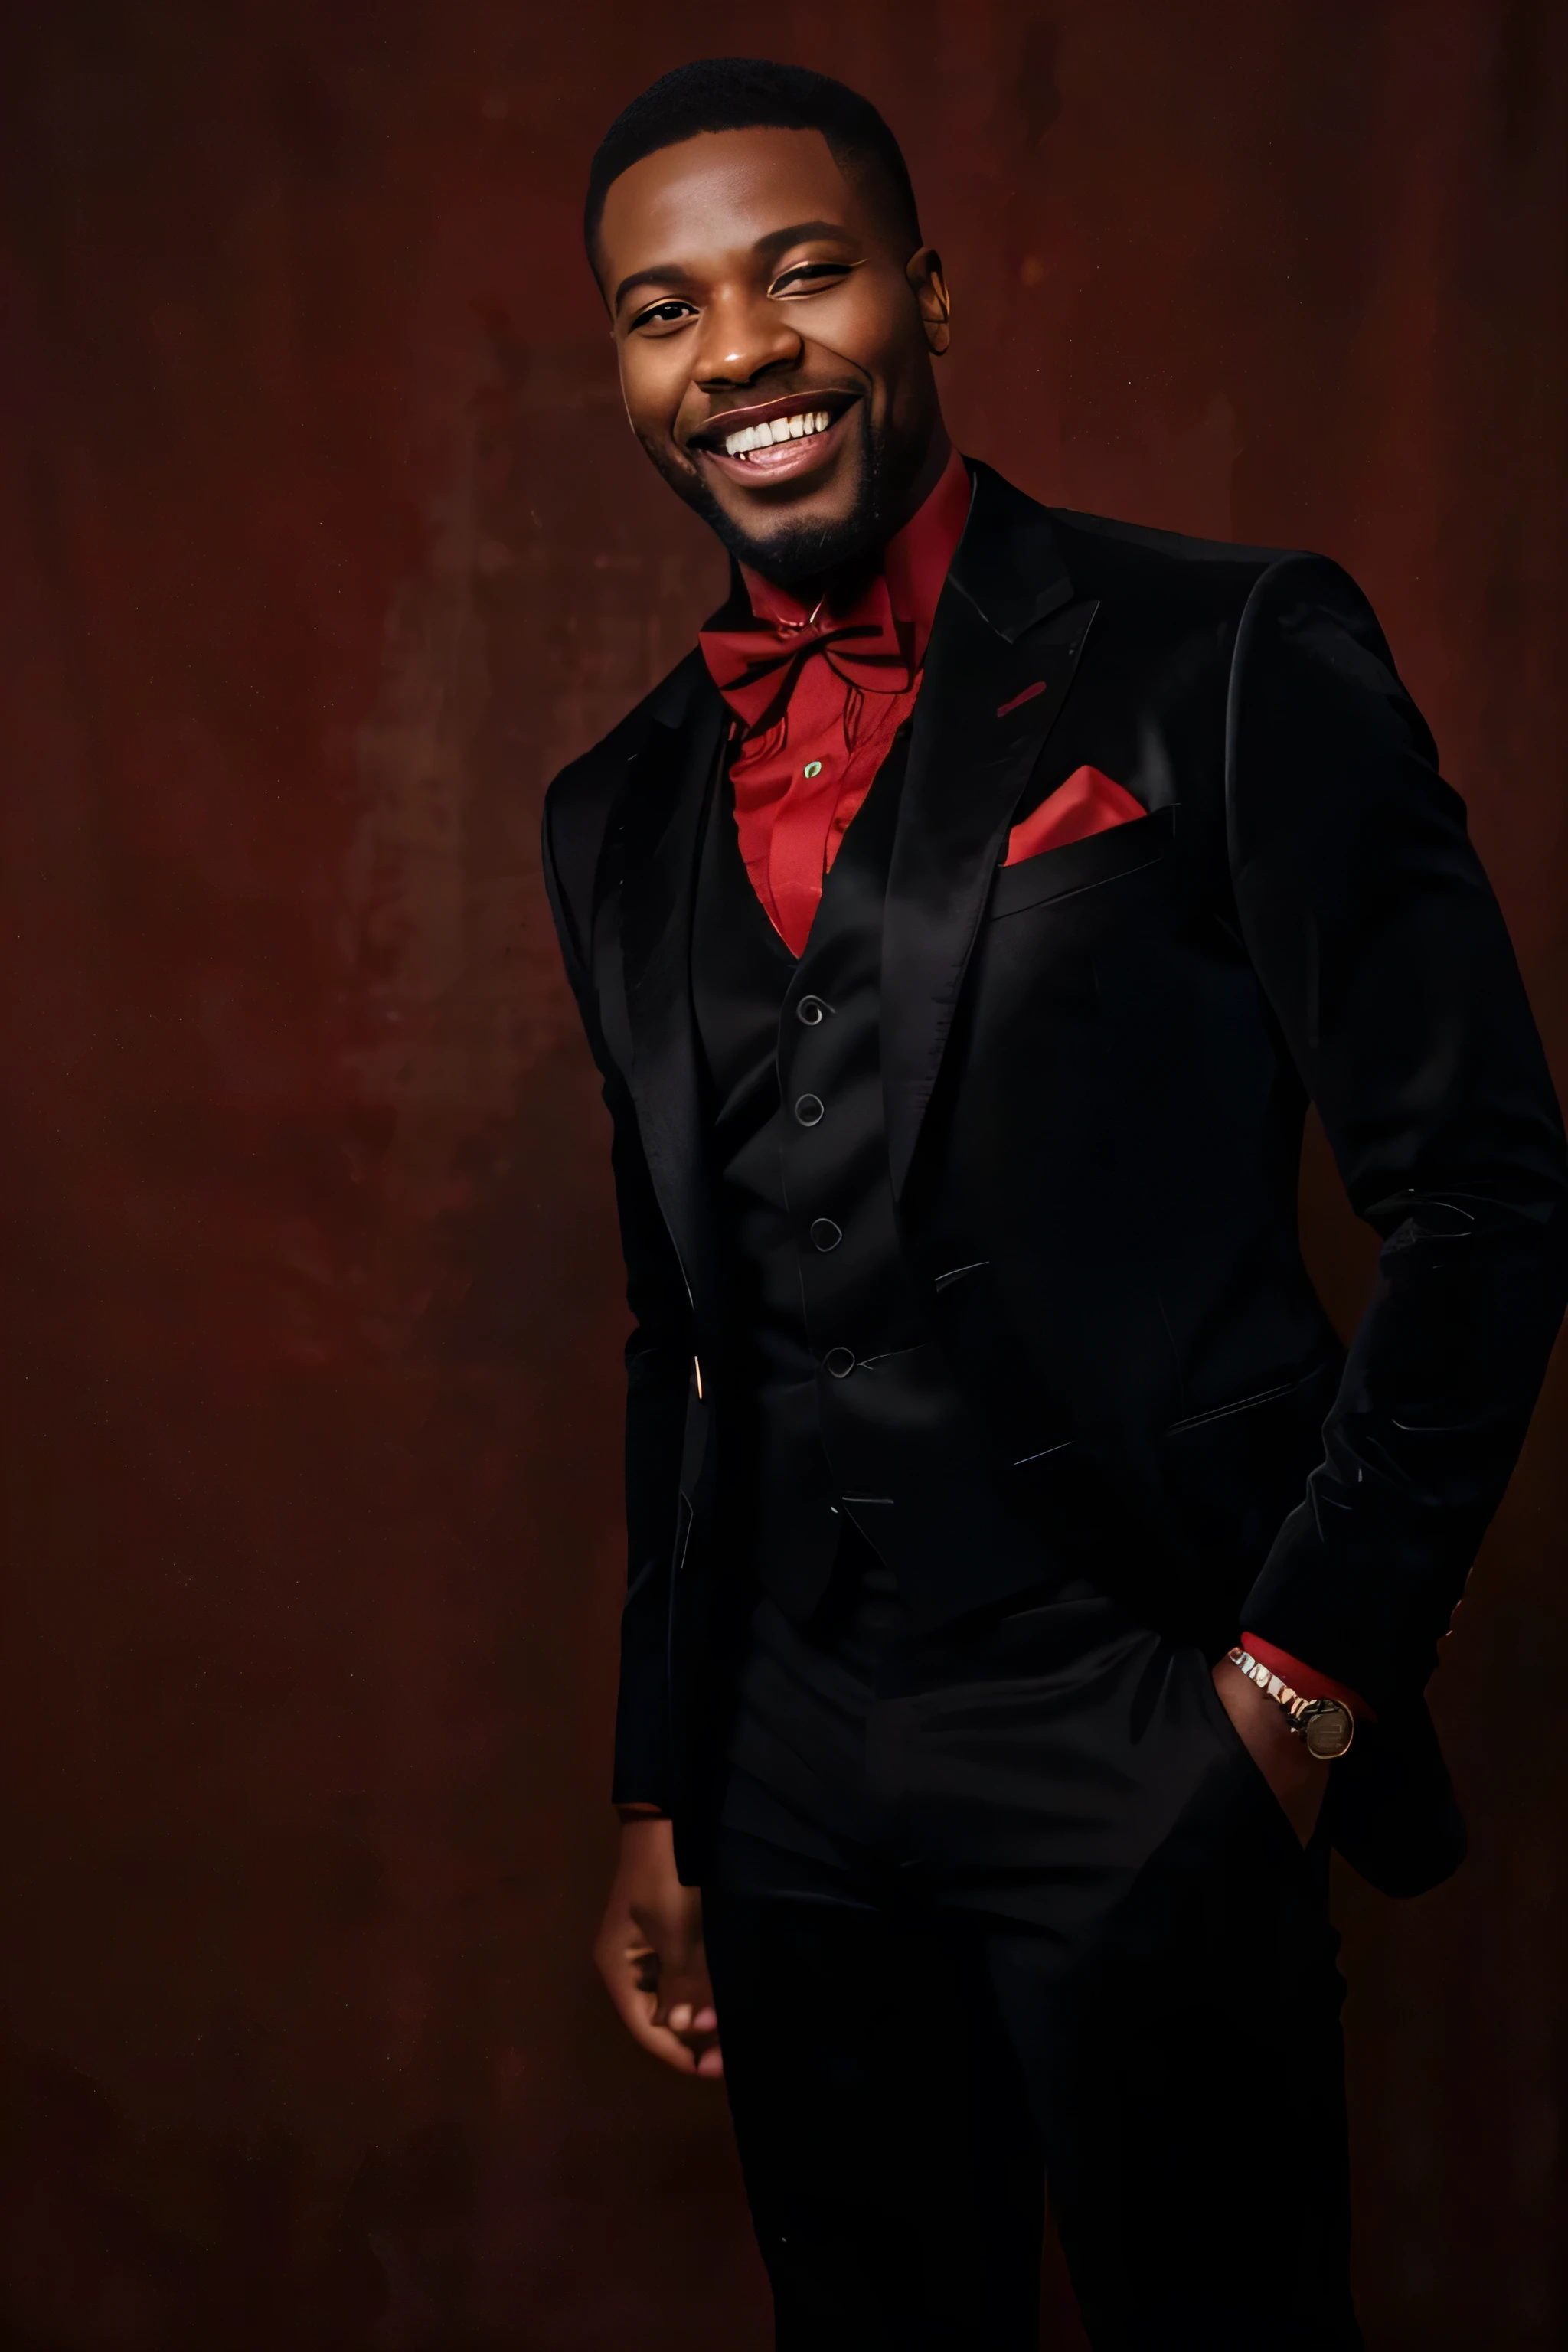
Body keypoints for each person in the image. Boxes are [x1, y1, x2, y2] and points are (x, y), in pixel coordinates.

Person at [541, 57, 1566, 2350]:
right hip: (784, 1760)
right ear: (623, 371)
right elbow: (677, 1329)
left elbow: (1485, 1195)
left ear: (921, 289)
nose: (739, 355)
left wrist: (1294, 1692)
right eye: (663, 309)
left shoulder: (1227, 652)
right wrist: (663, 1792)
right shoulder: (606, 814)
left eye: (800, 274)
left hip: (1144, 1704)